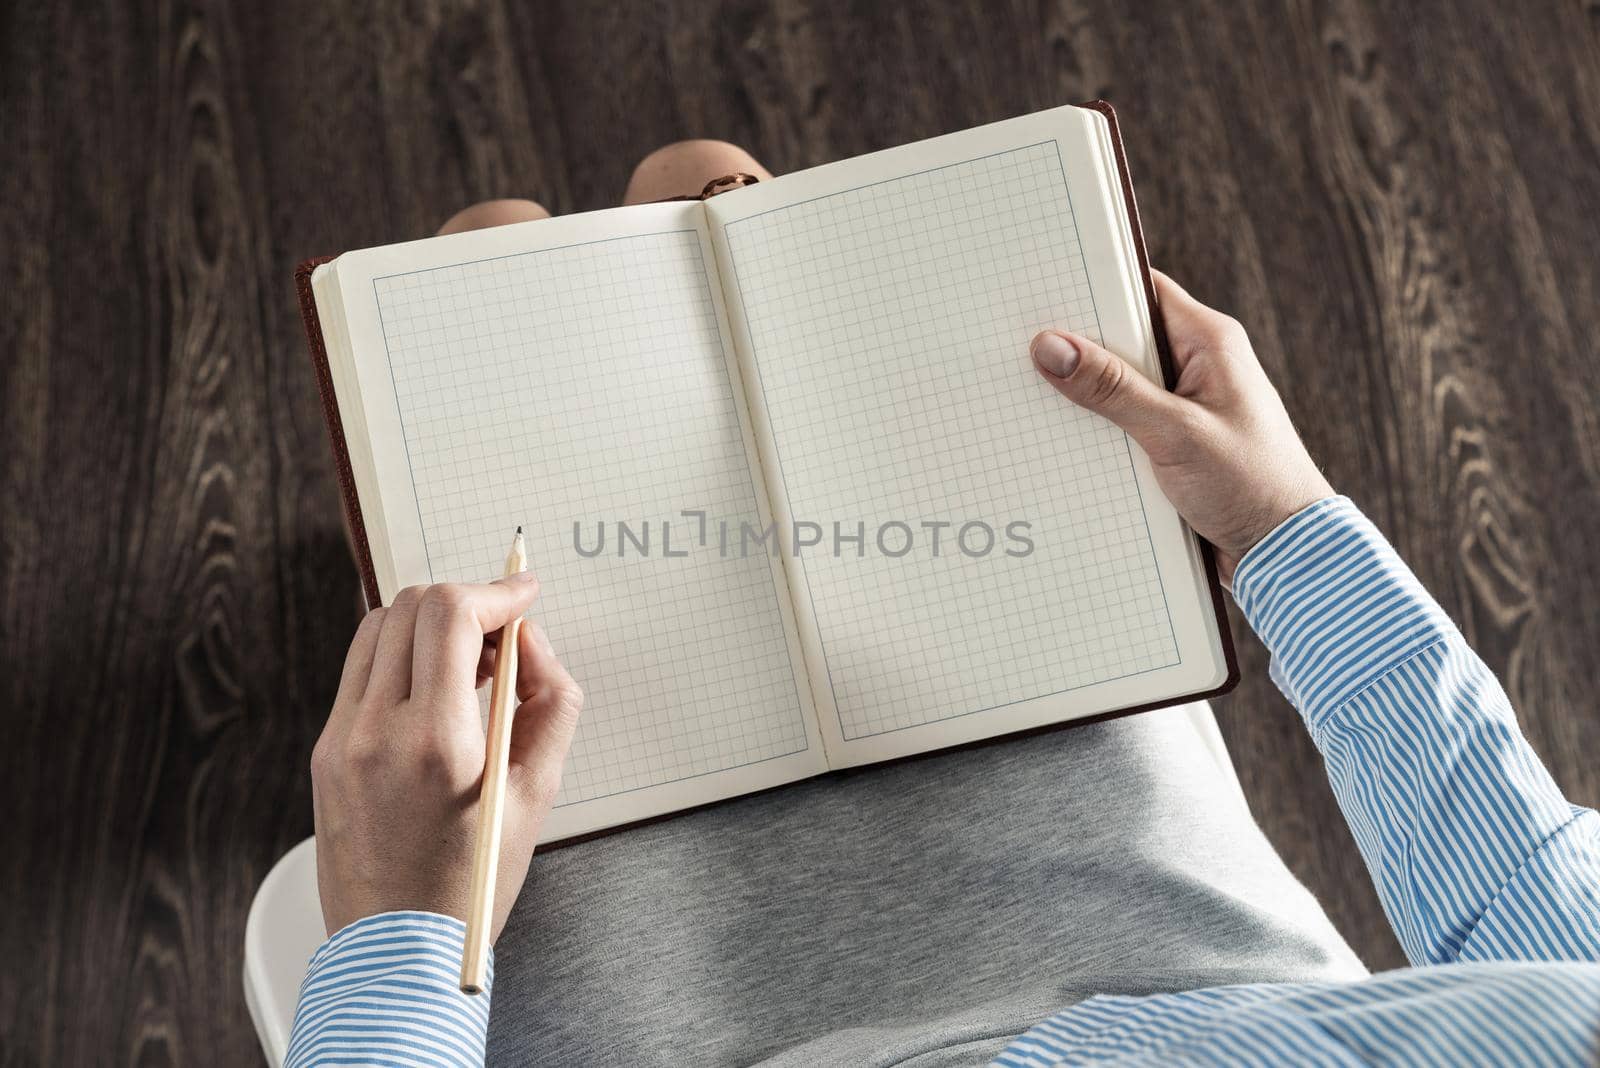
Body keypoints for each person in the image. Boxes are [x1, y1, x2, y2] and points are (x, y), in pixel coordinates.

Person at [285, 141, 1600, 1067]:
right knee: (708, 191)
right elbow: (1548, 944)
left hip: (692, 1032)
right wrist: (1280, 528)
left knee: (485, 268)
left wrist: (401, 928)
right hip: (1159, 954)